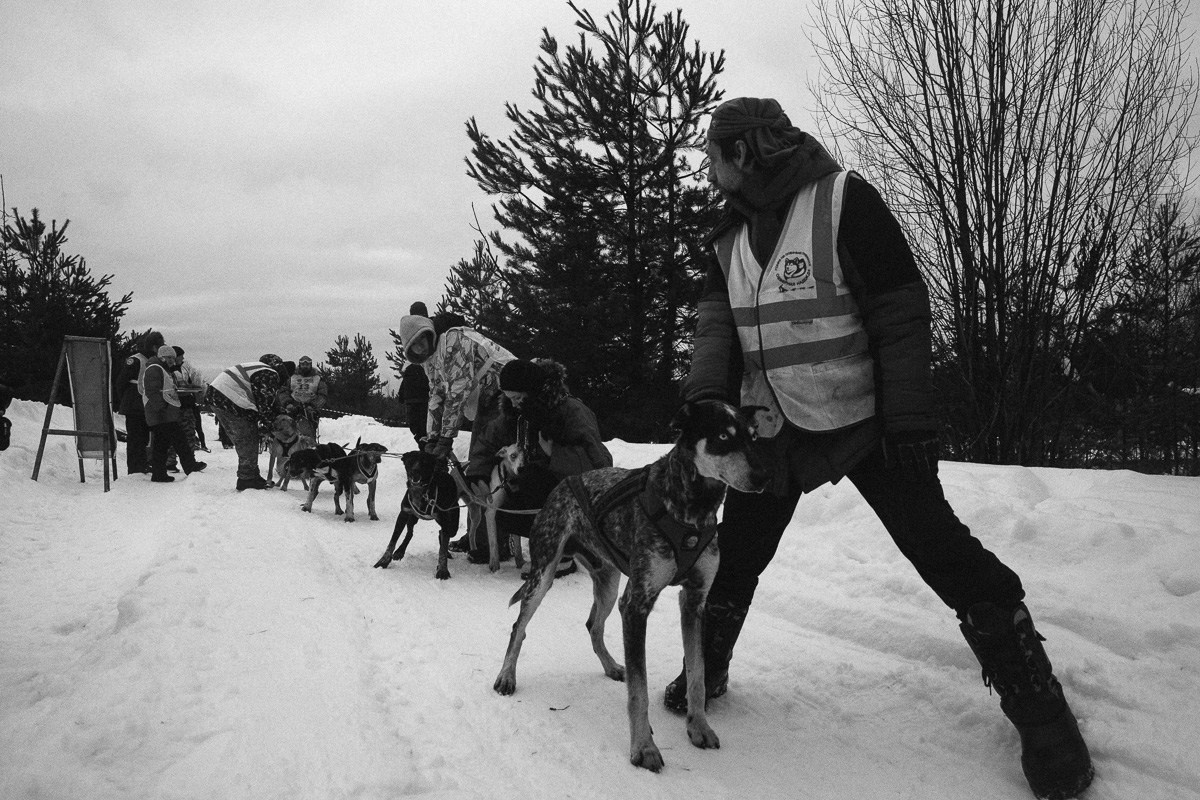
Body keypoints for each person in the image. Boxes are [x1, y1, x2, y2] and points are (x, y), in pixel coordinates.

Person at [671, 97, 1092, 800]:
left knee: (938, 546)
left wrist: (909, 425)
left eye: (713, 155)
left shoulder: (844, 201)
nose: (708, 169)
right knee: (737, 549)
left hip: (865, 423)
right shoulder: (728, 239)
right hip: (774, 430)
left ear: (743, 153)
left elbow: (900, 313)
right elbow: (715, 326)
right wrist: (706, 395)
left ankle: (1037, 702)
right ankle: (706, 664)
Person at [470, 358, 613, 573]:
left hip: (570, 490)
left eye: (517, 397)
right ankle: (534, 545)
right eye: (509, 398)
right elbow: (487, 441)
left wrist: (553, 454)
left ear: (532, 390)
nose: (514, 403)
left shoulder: (571, 410)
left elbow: (599, 463)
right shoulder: (513, 412)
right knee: (503, 504)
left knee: (535, 480)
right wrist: (477, 475)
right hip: (532, 486)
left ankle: (563, 555)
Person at [205, 354, 284, 491]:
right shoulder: (270, 373)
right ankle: (246, 479)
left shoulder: (258, 368)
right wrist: (274, 427)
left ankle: (252, 475)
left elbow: (264, 402)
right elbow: (265, 405)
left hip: (219, 396)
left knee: (249, 435)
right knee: (247, 437)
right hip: (228, 400)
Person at [140, 345, 206, 482]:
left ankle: (159, 473)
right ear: (162, 356)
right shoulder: (155, 369)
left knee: (162, 444)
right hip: (162, 414)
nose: (172, 361)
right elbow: (151, 391)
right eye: (170, 358)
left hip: (164, 413)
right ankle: (189, 466)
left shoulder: (161, 369)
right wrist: (162, 408)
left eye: (173, 358)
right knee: (179, 439)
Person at [114, 331, 165, 475]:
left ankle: (142, 465)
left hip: (145, 405)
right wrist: (125, 401)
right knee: (135, 438)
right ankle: (135, 469)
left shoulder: (152, 361)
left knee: (143, 438)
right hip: (134, 405)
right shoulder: (135, 360)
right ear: (154, 347)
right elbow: (121, 382)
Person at [400, 303, 431, 446]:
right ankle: (426, 457)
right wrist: (403, 393)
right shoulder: (413, 334)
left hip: (424, 397)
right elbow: (407, 371)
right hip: (413, 397)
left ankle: (434, 462)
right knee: (420, 432)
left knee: (426, 432)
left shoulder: (429, 332)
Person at [278, 355, 327, 440]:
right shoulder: (292, 378)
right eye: (303, 364)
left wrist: (313, 406)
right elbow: (283, 392)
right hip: (293, 408)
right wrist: (287, 403)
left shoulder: (317, 378)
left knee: (306, 437)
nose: (305, 366)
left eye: (307, 364)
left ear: (310, 365)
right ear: (299, 365)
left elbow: (322, 395)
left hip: (309, 411)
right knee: (288, 434)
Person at [171, 346, 208, 452]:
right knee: (176, 433)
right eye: (181, 357)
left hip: (188, 403)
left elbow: (192, 384)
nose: (183, 359)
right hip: (176, 405)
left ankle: (190, 459)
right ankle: (171, 461)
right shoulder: (168, 370)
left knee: (190, 432)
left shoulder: (184, 369)